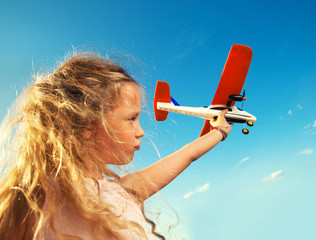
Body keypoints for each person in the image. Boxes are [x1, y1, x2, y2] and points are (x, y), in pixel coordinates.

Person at [0, 52, 231, 240]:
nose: (141, 131)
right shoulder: (33, 208)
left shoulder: (30, 201)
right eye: (131, 119)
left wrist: (219, 132)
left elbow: (187, 155)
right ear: (86, 126)